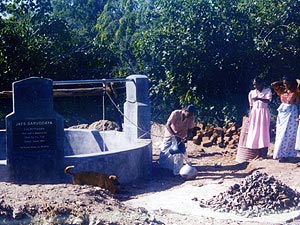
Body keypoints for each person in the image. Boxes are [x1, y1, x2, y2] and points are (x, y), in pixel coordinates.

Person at [159, 105, 196, 175]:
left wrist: (187, 137)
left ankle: (177, 170)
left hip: (181, 135)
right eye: (189, 114)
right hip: (170, 133)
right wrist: (174, 134)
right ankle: (163, 168)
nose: (190, 116)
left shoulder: (191, 117)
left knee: (179, 153)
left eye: (191, 114)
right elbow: (168, 125)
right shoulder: (176, 113)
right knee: (165, 149)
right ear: (185, 111)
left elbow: (190, 129)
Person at [271, 75, 300, 162]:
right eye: (284, 83)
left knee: (290, 134)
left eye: (287, 83)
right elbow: (273, 85)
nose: (286, 85)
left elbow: (299, 83)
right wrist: (281, 82)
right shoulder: (282, 91)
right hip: (282, 115)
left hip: (291, 114)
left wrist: (295, 80)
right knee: (281, 134)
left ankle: (289, 154)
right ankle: (280, 154)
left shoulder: (295, 91)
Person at [245, 76, 272, 159]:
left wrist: (259, 98)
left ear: (261, 83)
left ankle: (264, 154)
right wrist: (249, 116)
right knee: (256, 132)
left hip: (263, 113)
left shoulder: (267, 91)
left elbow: (268, 100)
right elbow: (251, 106)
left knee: (263, 132)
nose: (255, 86)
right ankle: (259, 154)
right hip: (255, 113)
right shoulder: (251, 93)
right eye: (254, 85)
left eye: (256, 84)